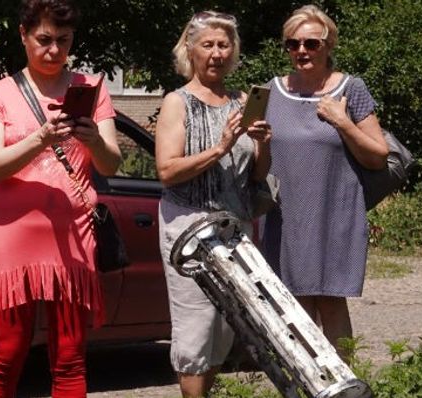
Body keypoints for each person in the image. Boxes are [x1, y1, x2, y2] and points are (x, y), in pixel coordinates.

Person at [0, 0, 122, 396]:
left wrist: (94, 140)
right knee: (6, 351)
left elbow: (110, 165)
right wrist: (41, 139)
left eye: (63, 40)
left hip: (72, 236)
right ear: (23, 35)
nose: (53, 50)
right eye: (43, 40)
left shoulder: (90, 90)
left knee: (70, 357)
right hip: (13, 239)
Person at [155, 10, 273, 398]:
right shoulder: (178, 102)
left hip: (234, 228)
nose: (217, 53)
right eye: (208, 45)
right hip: (189, 227)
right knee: (196, 327)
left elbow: (256, 176)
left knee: (225, 326)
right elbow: (168, 171)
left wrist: (264, 143)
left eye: (225, 45)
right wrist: (220, 146)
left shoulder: (242, 101)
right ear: (190, 50)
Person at [261, 5, 389, 359]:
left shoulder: (352, 89)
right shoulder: (271, 92)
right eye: (293, 43)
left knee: (331, 304)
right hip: (286, 218)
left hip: (335, 214)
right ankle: (305, 383)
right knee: (293, 306)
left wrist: (342, 122)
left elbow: (378, 155)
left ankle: (343, 386)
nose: (302, 51)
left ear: (329, 45)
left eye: (311, 44)